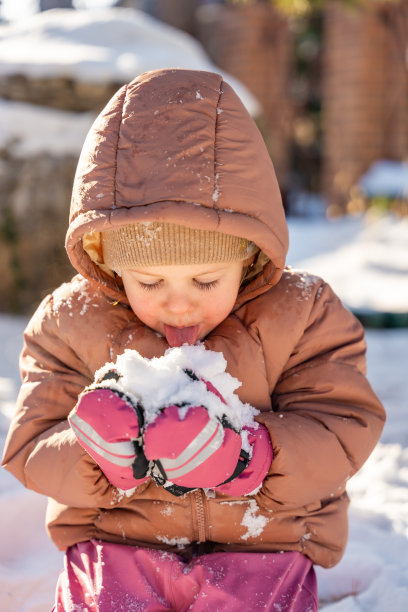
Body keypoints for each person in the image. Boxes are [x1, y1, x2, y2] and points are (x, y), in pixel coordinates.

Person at [2, 68, 385, 611]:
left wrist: (248, 458)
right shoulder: (72, 321)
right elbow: (30, 445)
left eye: (206, 281)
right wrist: (96, 455)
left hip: (264, 546)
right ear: (107, 266)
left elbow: (342, 428)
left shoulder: (302, 314)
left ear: (249, 254)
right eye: (149, 283)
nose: (178, 302)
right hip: (117, 543)